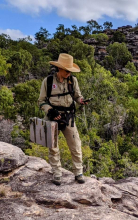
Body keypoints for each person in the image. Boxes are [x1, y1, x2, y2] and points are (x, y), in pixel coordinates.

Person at [38, 53, 87, 185]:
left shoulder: (73, 81)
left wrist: (81, 101)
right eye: (67, 71)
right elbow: (41, 101)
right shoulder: (48, 82)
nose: (68, 73)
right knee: (53, 147)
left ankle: (78, 172)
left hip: (68, 117)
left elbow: (77, 96)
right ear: (59, 69)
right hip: (52, 116)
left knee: (76, 145)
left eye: (70, 71)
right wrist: (50, 110)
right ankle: (57, 173)